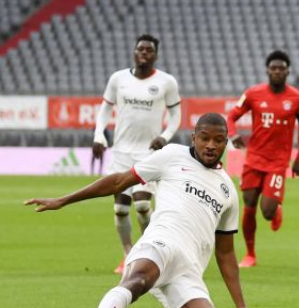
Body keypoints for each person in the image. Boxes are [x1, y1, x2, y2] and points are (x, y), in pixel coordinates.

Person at [25, 113, 246, 308]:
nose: (210, 145)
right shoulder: (172, 155)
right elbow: (119, 181)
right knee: (138, 280)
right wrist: (63, 200)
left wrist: (241, 306)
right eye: (204, 137)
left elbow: (226, 254)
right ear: (193, 138)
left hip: (189, 271)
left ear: (226, 143)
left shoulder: (228, 192)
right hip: (161, 243)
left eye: (218, 140)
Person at [93, 34, 182, 274]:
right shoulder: (118, 79)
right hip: (121, 154)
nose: (144, 53)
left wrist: (164, 136)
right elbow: (104, 110)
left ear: (155, 55)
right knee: (120, 209)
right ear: (134, 52)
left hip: (148, 154)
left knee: (142, 205)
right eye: (140, 49)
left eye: (149, 50)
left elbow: (175, 116)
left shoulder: (166, 82)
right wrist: (99, 135)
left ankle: (152, 253)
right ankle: (128, 255)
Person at [227, 50, 299, 268]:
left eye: (281, 68)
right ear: (267, 70)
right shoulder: (253, 94)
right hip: (253, 159)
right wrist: (232, 133)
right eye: (273, 68)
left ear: (288, 71)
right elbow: (231, 116)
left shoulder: (298, 99)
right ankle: (250, 254)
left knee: (267, 212)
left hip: (278, 163)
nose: (277, 71)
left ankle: (276, 210)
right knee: (249, 204)